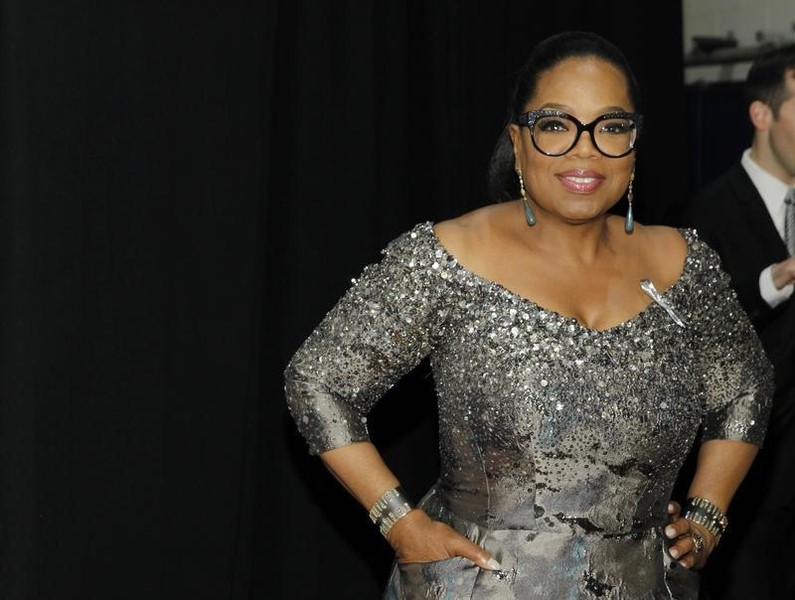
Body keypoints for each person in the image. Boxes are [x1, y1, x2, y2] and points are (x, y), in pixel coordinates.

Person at [284, 30, 773, 599]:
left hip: (645, 584)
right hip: (481, 586)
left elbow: (746, 385)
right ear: (518, 141)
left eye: (611, 127)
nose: (586, 150)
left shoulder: (686, 264)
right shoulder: (447, 257)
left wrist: (709, 514)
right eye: (557, 125)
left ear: (634, 144)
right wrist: (400, 523)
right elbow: (318, 379)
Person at [680, 43, 795, 600]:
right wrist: (778, 278)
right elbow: (697, 337)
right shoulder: (706, 210)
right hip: (751, 479)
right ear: (761, 114)